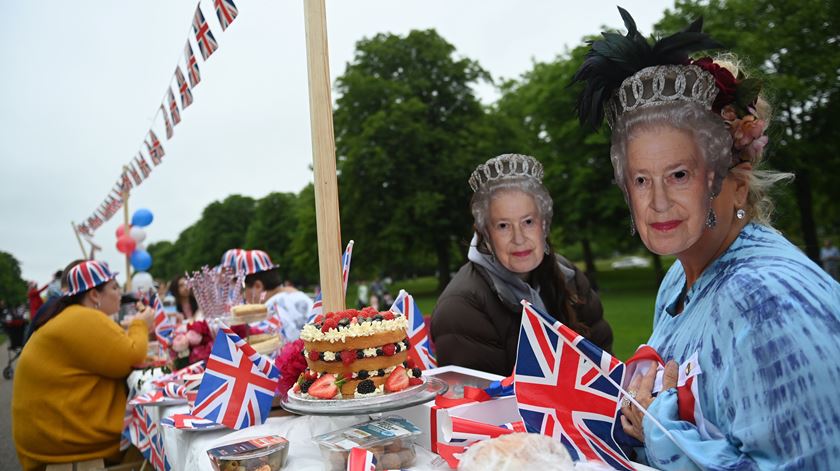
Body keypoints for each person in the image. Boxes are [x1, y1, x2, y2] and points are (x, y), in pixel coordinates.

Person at [572, 8, 840, 469]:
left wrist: (661, 433)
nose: (656, 202)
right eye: (640, 179)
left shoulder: (770, 302)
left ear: (737, 178)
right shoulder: (677, 282)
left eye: (679, 174)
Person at [431, 154, 612, 376]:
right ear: (486, 234)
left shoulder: (568, 276)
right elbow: (480, 404)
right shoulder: (460, 308)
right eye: (503, 225)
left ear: (544, 224)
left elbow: (604, 363)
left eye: (528, 222)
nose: (519, 238)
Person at [12, 260, 153, 470]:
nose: (120, 294)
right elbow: (132, 356)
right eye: (114, 287)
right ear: (94, 295)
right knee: (156, 432)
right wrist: (141, 324)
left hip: (51, 439)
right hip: (68, 443)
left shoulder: (71, 315)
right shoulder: (83, 317)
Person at [239, 249, 313, 342]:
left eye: (242, 290)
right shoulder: (303, 297)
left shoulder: (267, 314)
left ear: (258, 286)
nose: (243, 296)